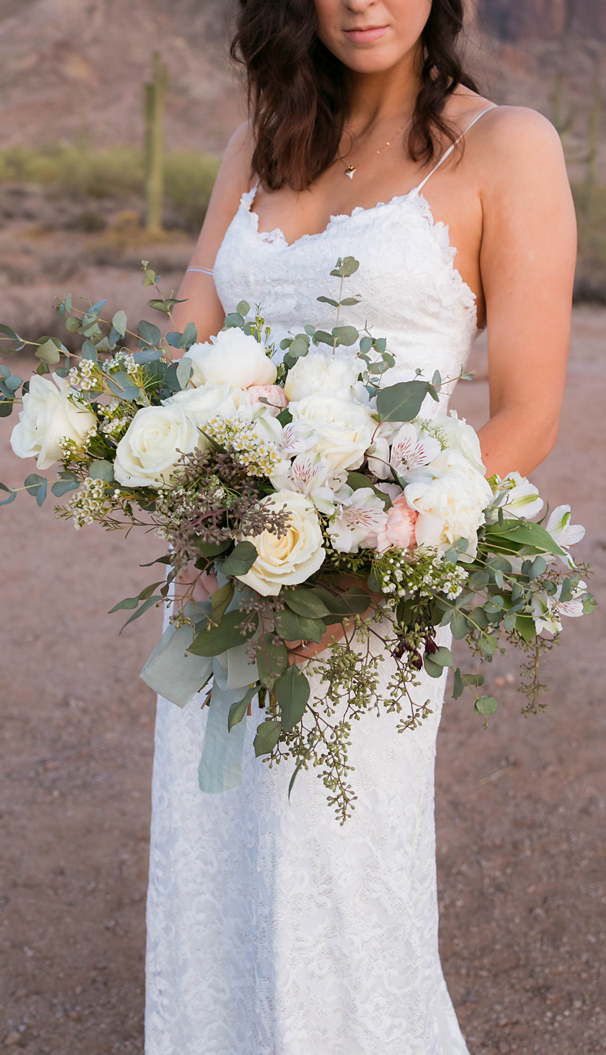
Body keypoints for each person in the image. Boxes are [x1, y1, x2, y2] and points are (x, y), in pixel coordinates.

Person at [144, 1, 576, 1052]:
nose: (362, 0)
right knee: (214, 858)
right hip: (220, 572)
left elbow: (524, 412)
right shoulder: (258, 142)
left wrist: (367, 558)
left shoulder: (506, 145)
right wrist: (133, 443)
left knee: (335, 872)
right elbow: (181, 347)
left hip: (372, 586)